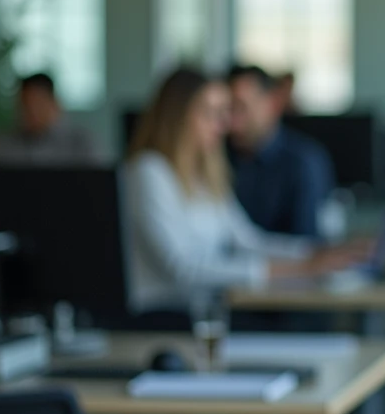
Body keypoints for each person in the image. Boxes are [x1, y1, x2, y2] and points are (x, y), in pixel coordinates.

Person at [122, 67, 367, 315]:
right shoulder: (149, 171)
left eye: (223, 113)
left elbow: (248, 241)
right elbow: (182, 269)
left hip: (206, 314)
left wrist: (322, 254)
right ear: (177, 117)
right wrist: (297, 268)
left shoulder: (204, 176)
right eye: (211, 113)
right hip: (162, 318)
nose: (224, 124)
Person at [226, 65, 334, 238]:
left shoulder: (304, 162)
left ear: (273, 105)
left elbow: (305, 245)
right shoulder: (217, 154)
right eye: (226, 110)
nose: (231, 122)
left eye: (241, 108)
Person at [0, 73, 102, 166]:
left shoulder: (81, 143)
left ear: (54, 103)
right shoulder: (4, 144)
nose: (32, 112)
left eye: (38, 104)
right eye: (25, 105)